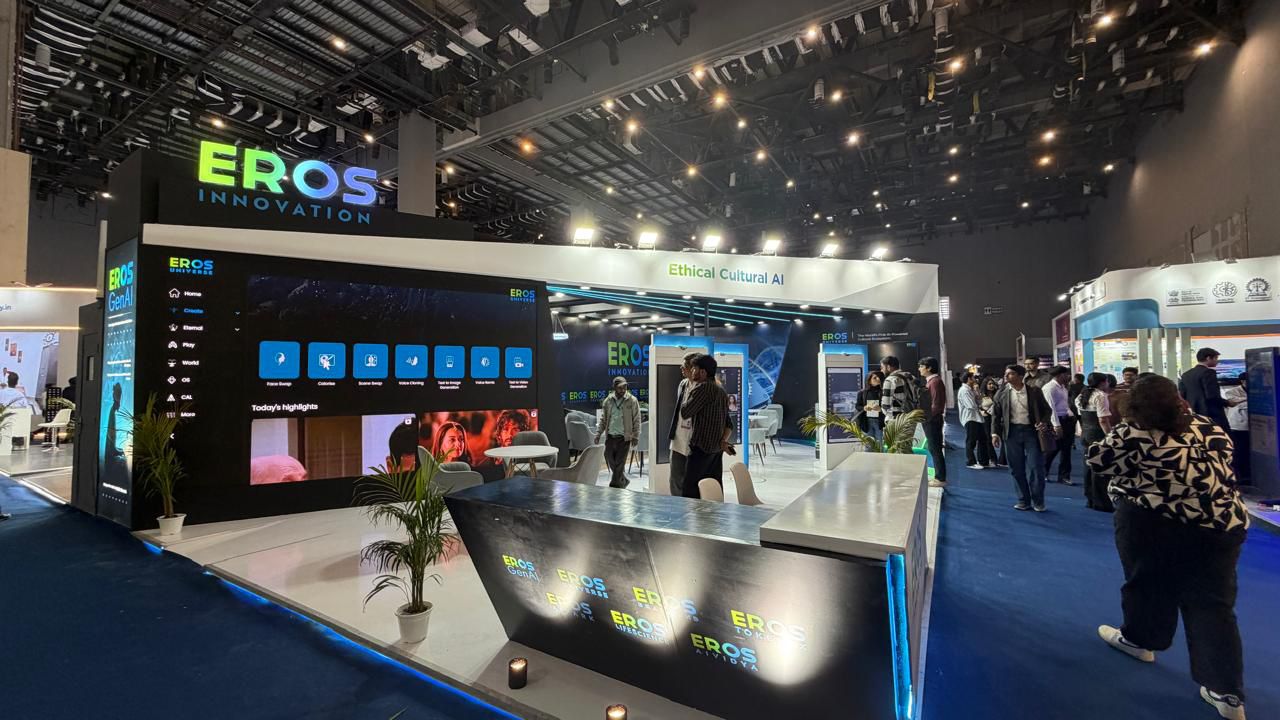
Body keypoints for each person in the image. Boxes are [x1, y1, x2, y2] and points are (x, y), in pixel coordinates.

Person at [1087, 375, 1250, 720]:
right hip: (1222, 525)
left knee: (1147, 584)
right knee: (1213, 605)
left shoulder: (1134, 431)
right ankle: (1226, 692)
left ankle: (1141, 640)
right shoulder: (1206, 426)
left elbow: (1098, 461)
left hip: (1155, 522)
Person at [992, 364, 1053, 512]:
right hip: (1011, 432)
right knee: (1016, 468)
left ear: (1021, 376)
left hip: (1032, 432)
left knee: (1036, 467)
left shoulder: (1034, 391)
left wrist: (1044, 422)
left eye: (1011, 374)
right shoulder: (1001, 393)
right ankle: (1023, 500)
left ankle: (1038, 501)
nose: (1006, 376)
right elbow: (996, 415)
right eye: (1006, 373)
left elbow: (1047, 410)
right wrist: (994, 433)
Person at [679, 354, 733, 498]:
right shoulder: (721, 391)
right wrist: (723, 441)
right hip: (716, 451)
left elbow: (685, 412)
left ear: (702, 372)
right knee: (713, 491)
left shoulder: (703, 388)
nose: (692, 372)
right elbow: (729, 424)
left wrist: (690, 390)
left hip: (701, 450)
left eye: (694, 369)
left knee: (691, 492)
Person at [1077, 373, 1115, 511]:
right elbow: (1103, 420)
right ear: (1103, 382)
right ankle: (1101, 502)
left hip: (1086, 433)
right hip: (1097, 434)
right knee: (1100, 468)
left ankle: (1090, 498)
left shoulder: (1082, 395)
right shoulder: (1100, 396)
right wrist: (1110, 435)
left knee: (1087, 466)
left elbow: (1080, 415)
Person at [596, 376, 641, 489]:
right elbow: (603, 419)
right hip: (610, 437)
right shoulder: (608, 401)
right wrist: (598, 434)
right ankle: (623, 481)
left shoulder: (632, 400)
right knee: (611, 460)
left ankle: (614, 487)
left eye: (625, 387)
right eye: (620, 387)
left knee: (620, 463)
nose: (623, 389)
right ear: (615, 387)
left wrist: (635, 436)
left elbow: (637, 419)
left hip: (624, 438)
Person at [668, 351, 701, 496]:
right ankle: (677, 506)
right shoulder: (682, 384)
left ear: (694, 368)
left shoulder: (705, 387)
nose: (681, 368)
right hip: (678, 440)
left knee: (694, 482)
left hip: (696, 442)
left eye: (684, 366)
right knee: (675, 479)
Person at [1180, 348, 1230, 432]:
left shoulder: (1186, 374)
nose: (1217, 361)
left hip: (1194, 414)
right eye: (1216, 358)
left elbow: (1182, 395)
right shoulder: (1208, 373)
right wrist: (1227, 402)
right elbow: (1212, 395)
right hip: (1211, 414)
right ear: (1208, 358)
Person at [1042, 366, 1077, 485]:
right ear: (1059, 375)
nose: (1068, 376)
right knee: (1052, 449)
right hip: (1056, 422)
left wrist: (1071, 415)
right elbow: (1050, 408)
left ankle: (1064, 476)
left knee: (1066, 450)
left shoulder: (1063, 387)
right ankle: (1043, 472)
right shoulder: (1049, 388)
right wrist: (1056, 425)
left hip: (1067, 421)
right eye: (1066, 374)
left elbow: (1065, 404)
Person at [918, 357, 947, 485]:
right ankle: (939, 476)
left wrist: (925, 416)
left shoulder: (935, 382)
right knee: (933, 448)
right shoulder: (932, 381)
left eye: (921, 366)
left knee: (935, 448)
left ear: (929, 368)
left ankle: (940, 478)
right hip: (931, 419)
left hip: (932, 420)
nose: (919, 369)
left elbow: (936, 405)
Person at [958, 372, 989, 470]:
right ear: (969, 379)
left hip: (977, 418)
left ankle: (983, 461)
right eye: (973, 378)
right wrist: (979, 406)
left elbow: (979, 401)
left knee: (983, 439)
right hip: (970, 418)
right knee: (971, 441)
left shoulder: (971, 389)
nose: (975, 380)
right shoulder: (964, 390)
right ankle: (971, 462)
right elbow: (971, 405)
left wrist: (977, 392)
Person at [1223, 372, 1250, 482]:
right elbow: (1233, 403)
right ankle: (1241, 476)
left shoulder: (1256, 391)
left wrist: (1243, 400)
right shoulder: (1231, 392)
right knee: (1239, 451)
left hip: (1252, 427)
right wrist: (1247, 400)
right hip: (1238, 426)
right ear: (1243, 381)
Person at [880, 356, 918, 422]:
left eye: (882, 367)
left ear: (888, 367)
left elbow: (886, 404)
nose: (881, 370)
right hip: (912, 416)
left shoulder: (890, 380)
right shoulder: (911, 377)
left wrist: (886, 413)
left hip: (896, 419)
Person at [981, 376, 1005, 467]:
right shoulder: (981, 395)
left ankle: (1003, 459)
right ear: (985, 385)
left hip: (998, 419)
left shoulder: (998, 395)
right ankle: (993, 458)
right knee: (989, 439)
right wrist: (982, 411)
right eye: (989, 384)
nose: (991, 386)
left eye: (992, 384)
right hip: (987, 419)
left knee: (1003, 438)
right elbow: (977, 406)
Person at [856, 371, 885, 443]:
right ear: (869, 380)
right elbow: (857, 406)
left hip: (880, 422)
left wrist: (881, 409)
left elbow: (888, 406)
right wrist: (864, 408)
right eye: (875, 378)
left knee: (880, 445)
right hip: (866, 422)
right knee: (868, 445)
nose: (878, 379)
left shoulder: (883, 392)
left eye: (878, 377)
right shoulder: (862, 393)